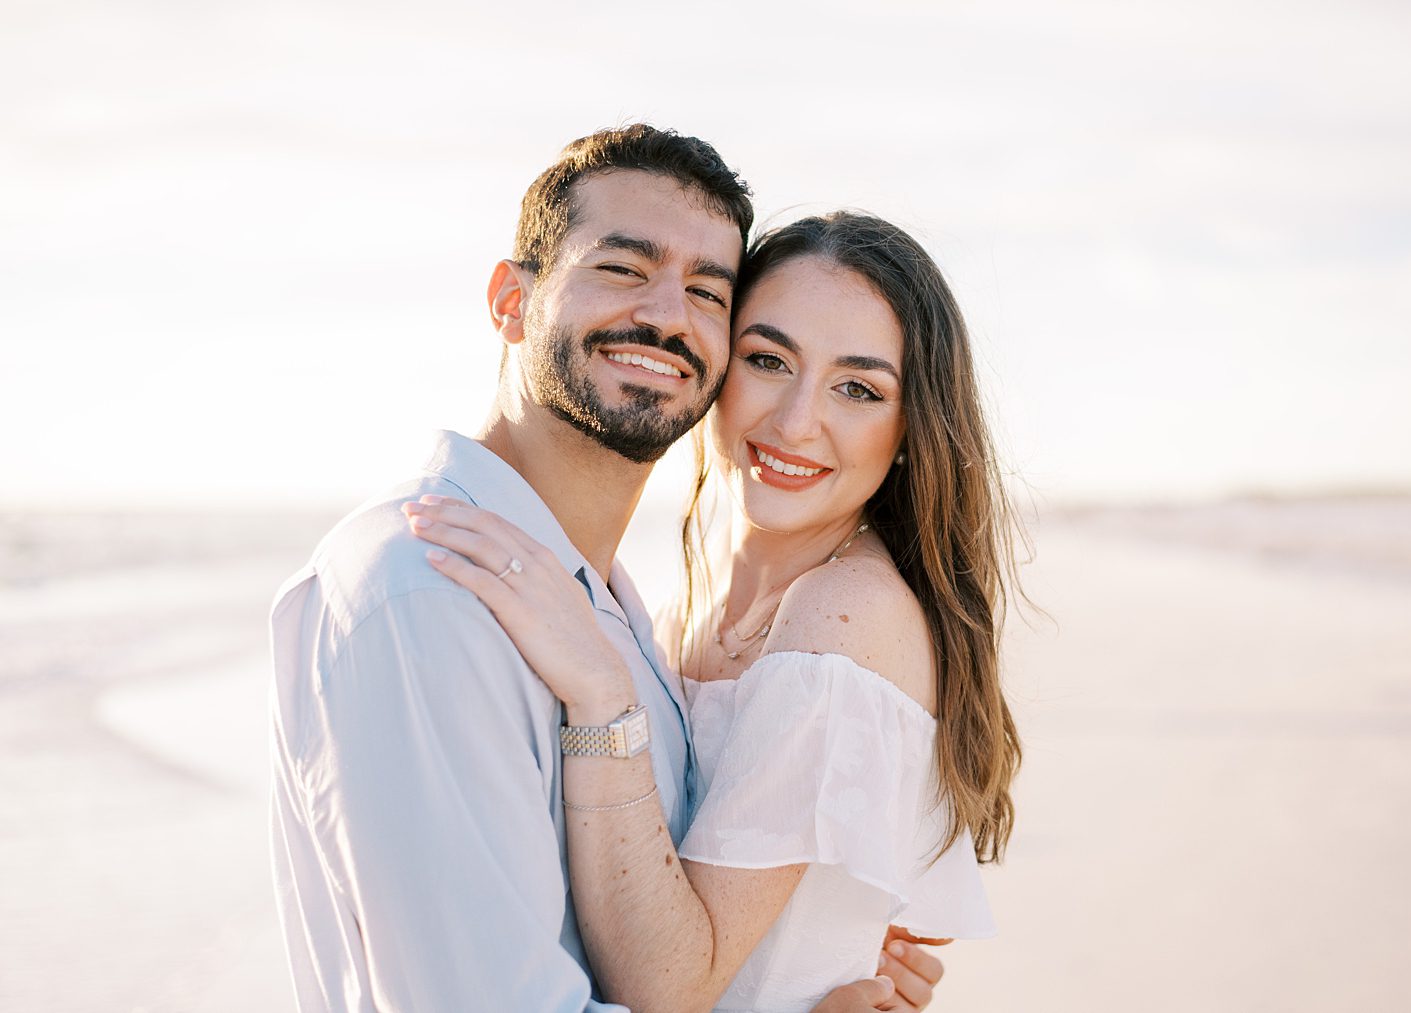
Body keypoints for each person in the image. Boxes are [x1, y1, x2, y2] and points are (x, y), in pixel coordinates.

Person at [269, 127, 942, 1012]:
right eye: (624, 267)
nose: (668, 314)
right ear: (511, 301)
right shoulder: (431, 592)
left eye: (708, 291)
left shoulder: (612, 606)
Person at [404, 211, 1026, 1012]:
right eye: (769, 359)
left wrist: (604, 695)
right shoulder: (681, 609)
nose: (797, 421)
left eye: (859, 388)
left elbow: (666, 985)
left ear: (910, 429)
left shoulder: (845, 620)